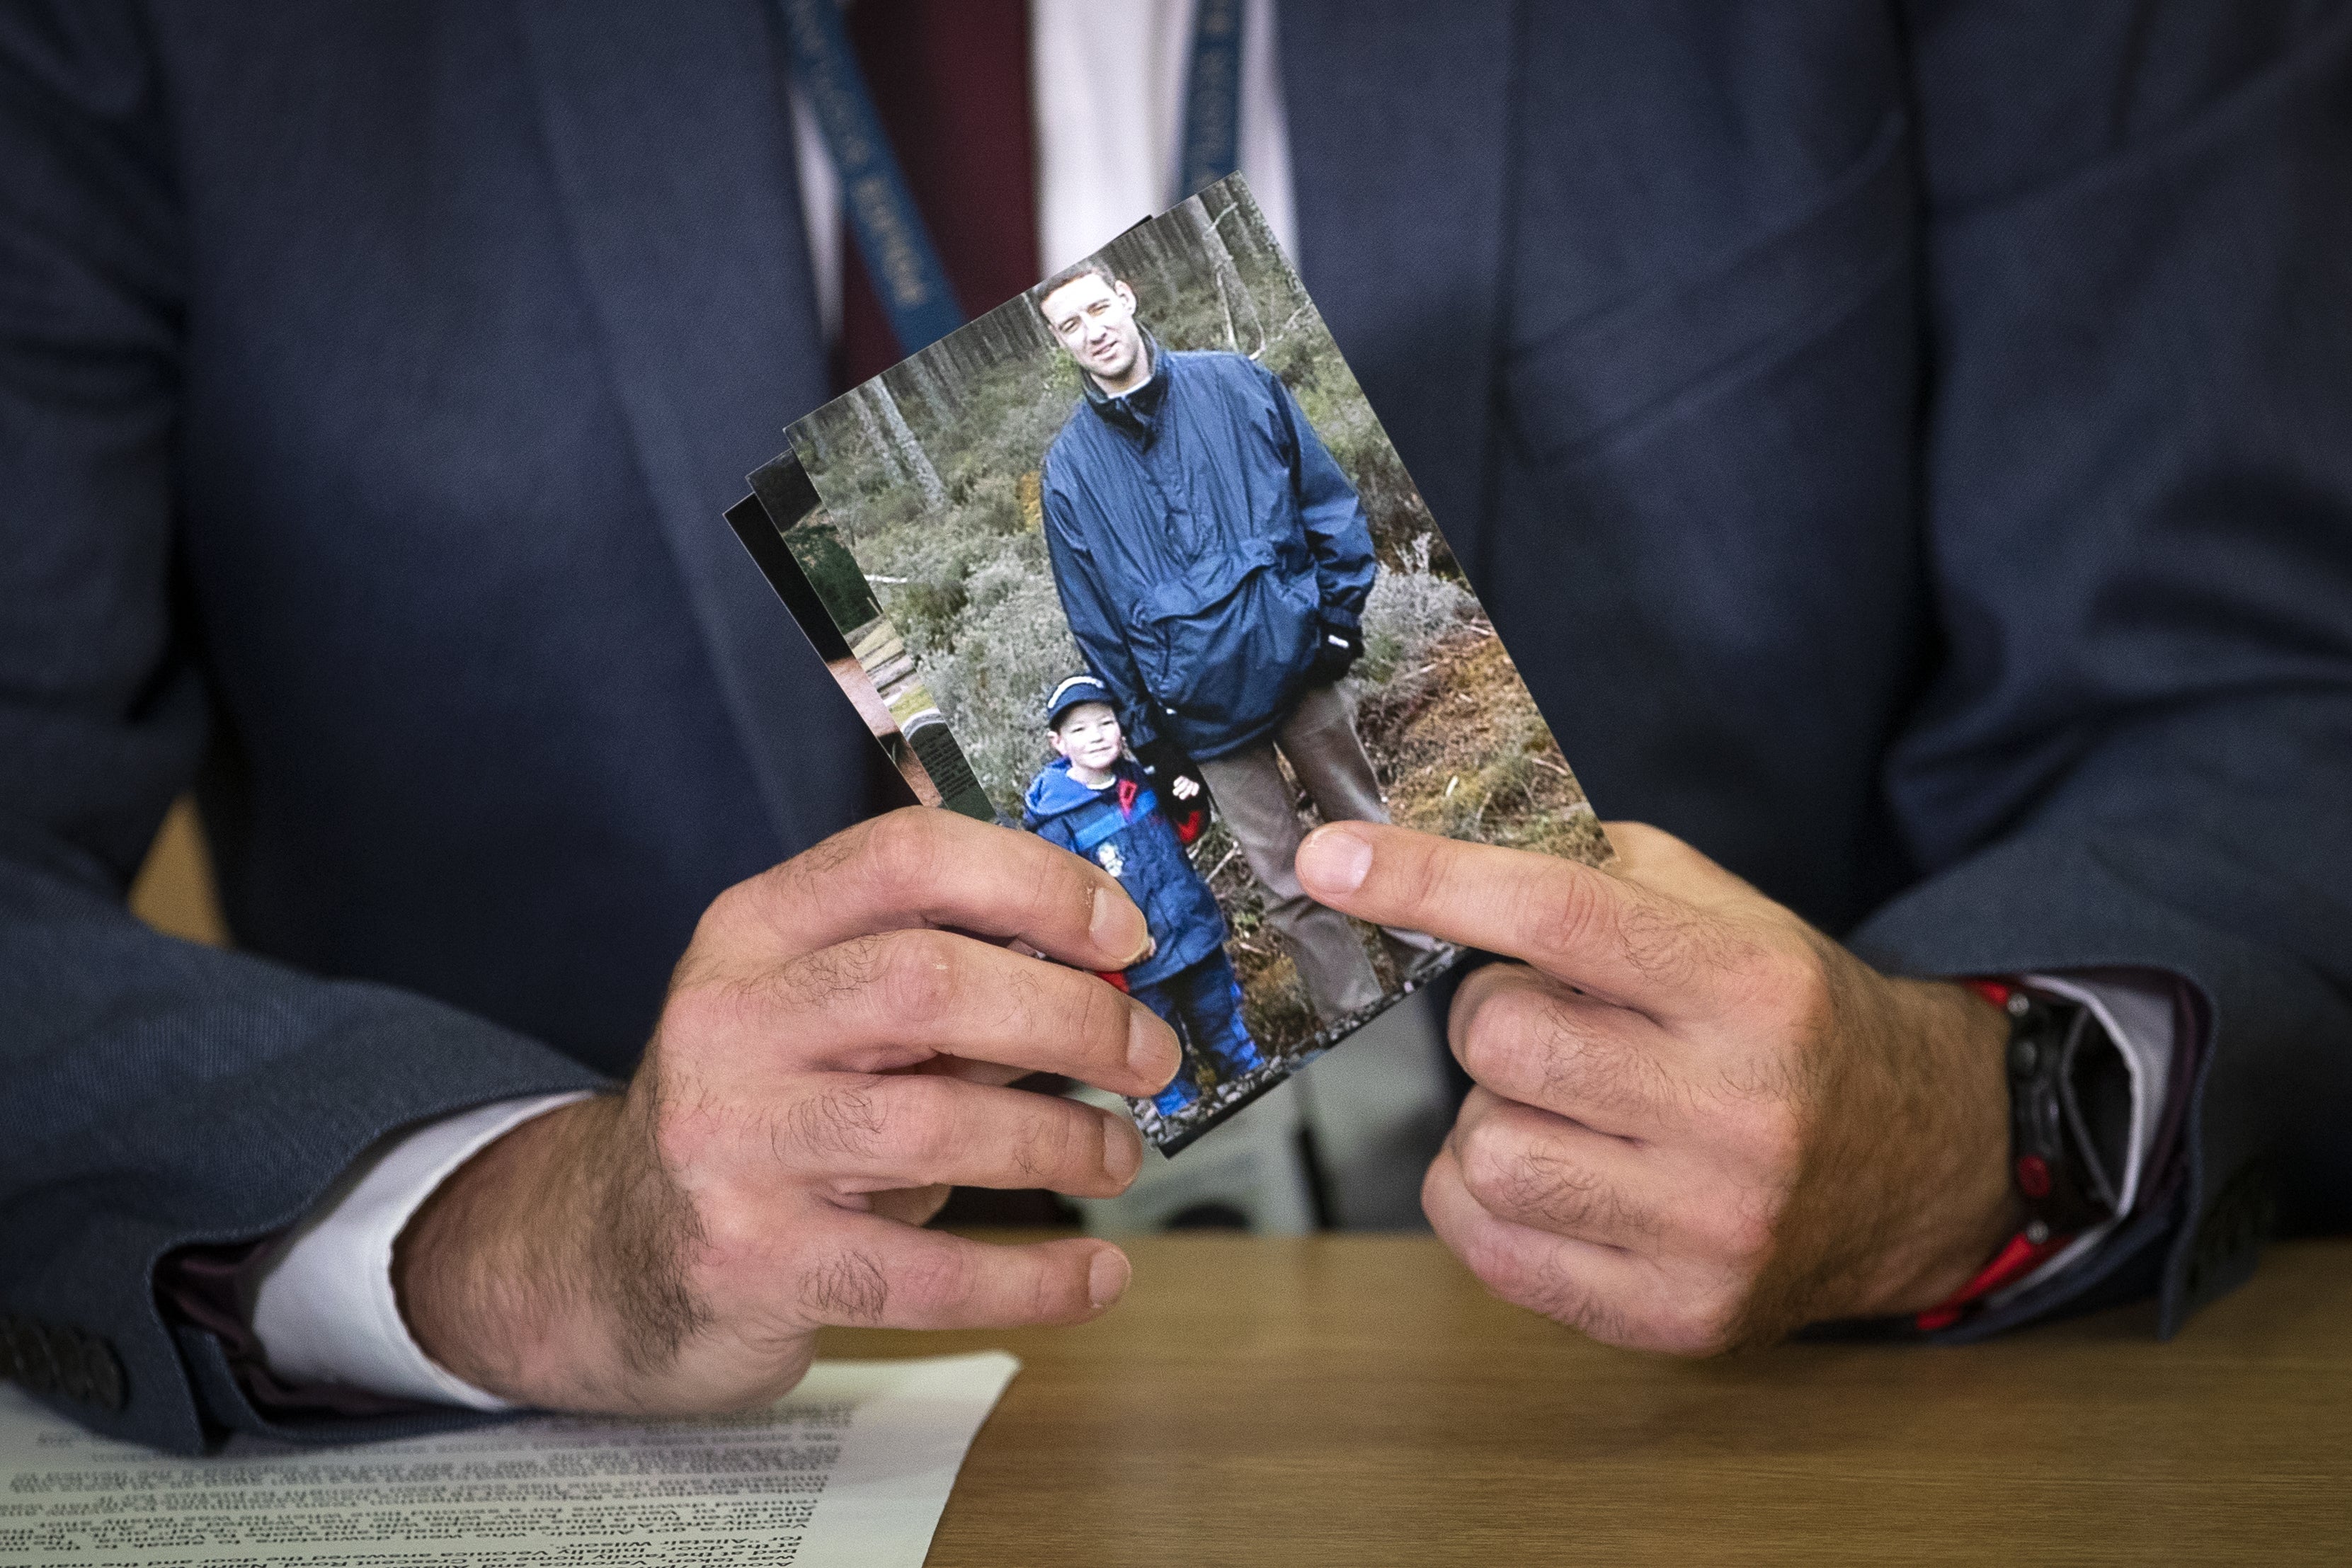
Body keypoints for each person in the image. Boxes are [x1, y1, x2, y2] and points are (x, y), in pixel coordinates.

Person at [3, 2, 2348, 1455]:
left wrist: (1971, 1110)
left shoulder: (1219, 401)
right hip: (679, 1463)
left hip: (1717, 1448)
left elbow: (2257, 690)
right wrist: (518, 1235)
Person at [1033, 257, 1443, 1023]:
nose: (1094, 332)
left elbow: (1323, 500)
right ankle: (1363, 1024)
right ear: (1061, 343)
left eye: (1098, 309)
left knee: (1369, 837)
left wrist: (1336, 620)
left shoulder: (1235, 383)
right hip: (1203, 717)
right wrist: (1155, 740)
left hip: (1300, 665)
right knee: (1286, 888)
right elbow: (1096, 622)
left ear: (1127, 296)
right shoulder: (1068, 473)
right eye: (1071, 325)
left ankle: (1440, 973)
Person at [1024, 675, 1265, 1121]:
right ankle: (1183, 1116)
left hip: (1196, 938)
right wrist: (1116, 953)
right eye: (1079, 729)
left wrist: (1191, 801)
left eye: (1105, 722)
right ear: (1057, 743)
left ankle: (1252, 1084)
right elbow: (1070, 903)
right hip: (1138, 969)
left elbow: (1185, 833)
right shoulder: (1056, 821)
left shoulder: (1142, 776)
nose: (1096, 736)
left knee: (1223, 1025)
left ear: (1122, 728)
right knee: (1160, 1052)